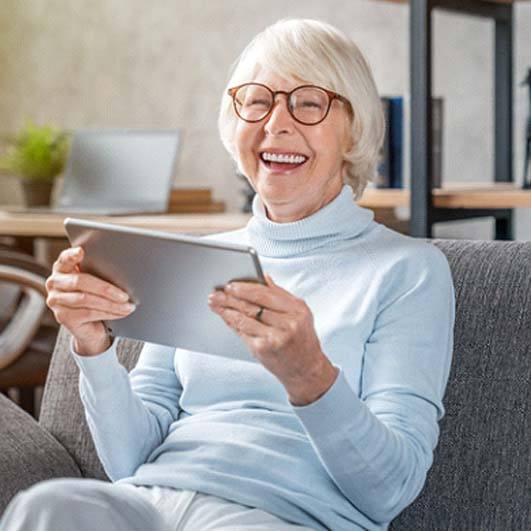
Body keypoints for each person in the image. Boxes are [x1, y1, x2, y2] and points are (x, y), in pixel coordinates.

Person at [0, 18, 455, 531]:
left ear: (355, 128)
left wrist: (308, 375)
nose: (276, 123)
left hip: (277, 518)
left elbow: (389, 491)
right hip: (151, 503)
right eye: (257, 100)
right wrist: (94, 349)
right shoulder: (201, 258)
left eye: (309, 102)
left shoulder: (409, 272)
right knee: (45, 506)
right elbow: (129, 460)